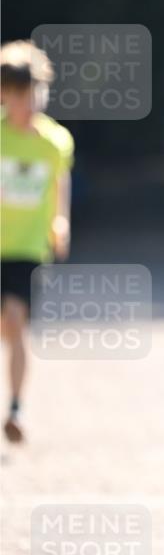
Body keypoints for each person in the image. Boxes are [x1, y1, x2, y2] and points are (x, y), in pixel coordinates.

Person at [1, 40, 74, 442]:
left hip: (27, 247)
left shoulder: (54, 141)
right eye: (19, 96)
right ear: (3, 95)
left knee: (15, 322)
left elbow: (59, 186)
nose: (28, 103)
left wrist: (60, 222)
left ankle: (14, 407)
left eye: (34, 94)